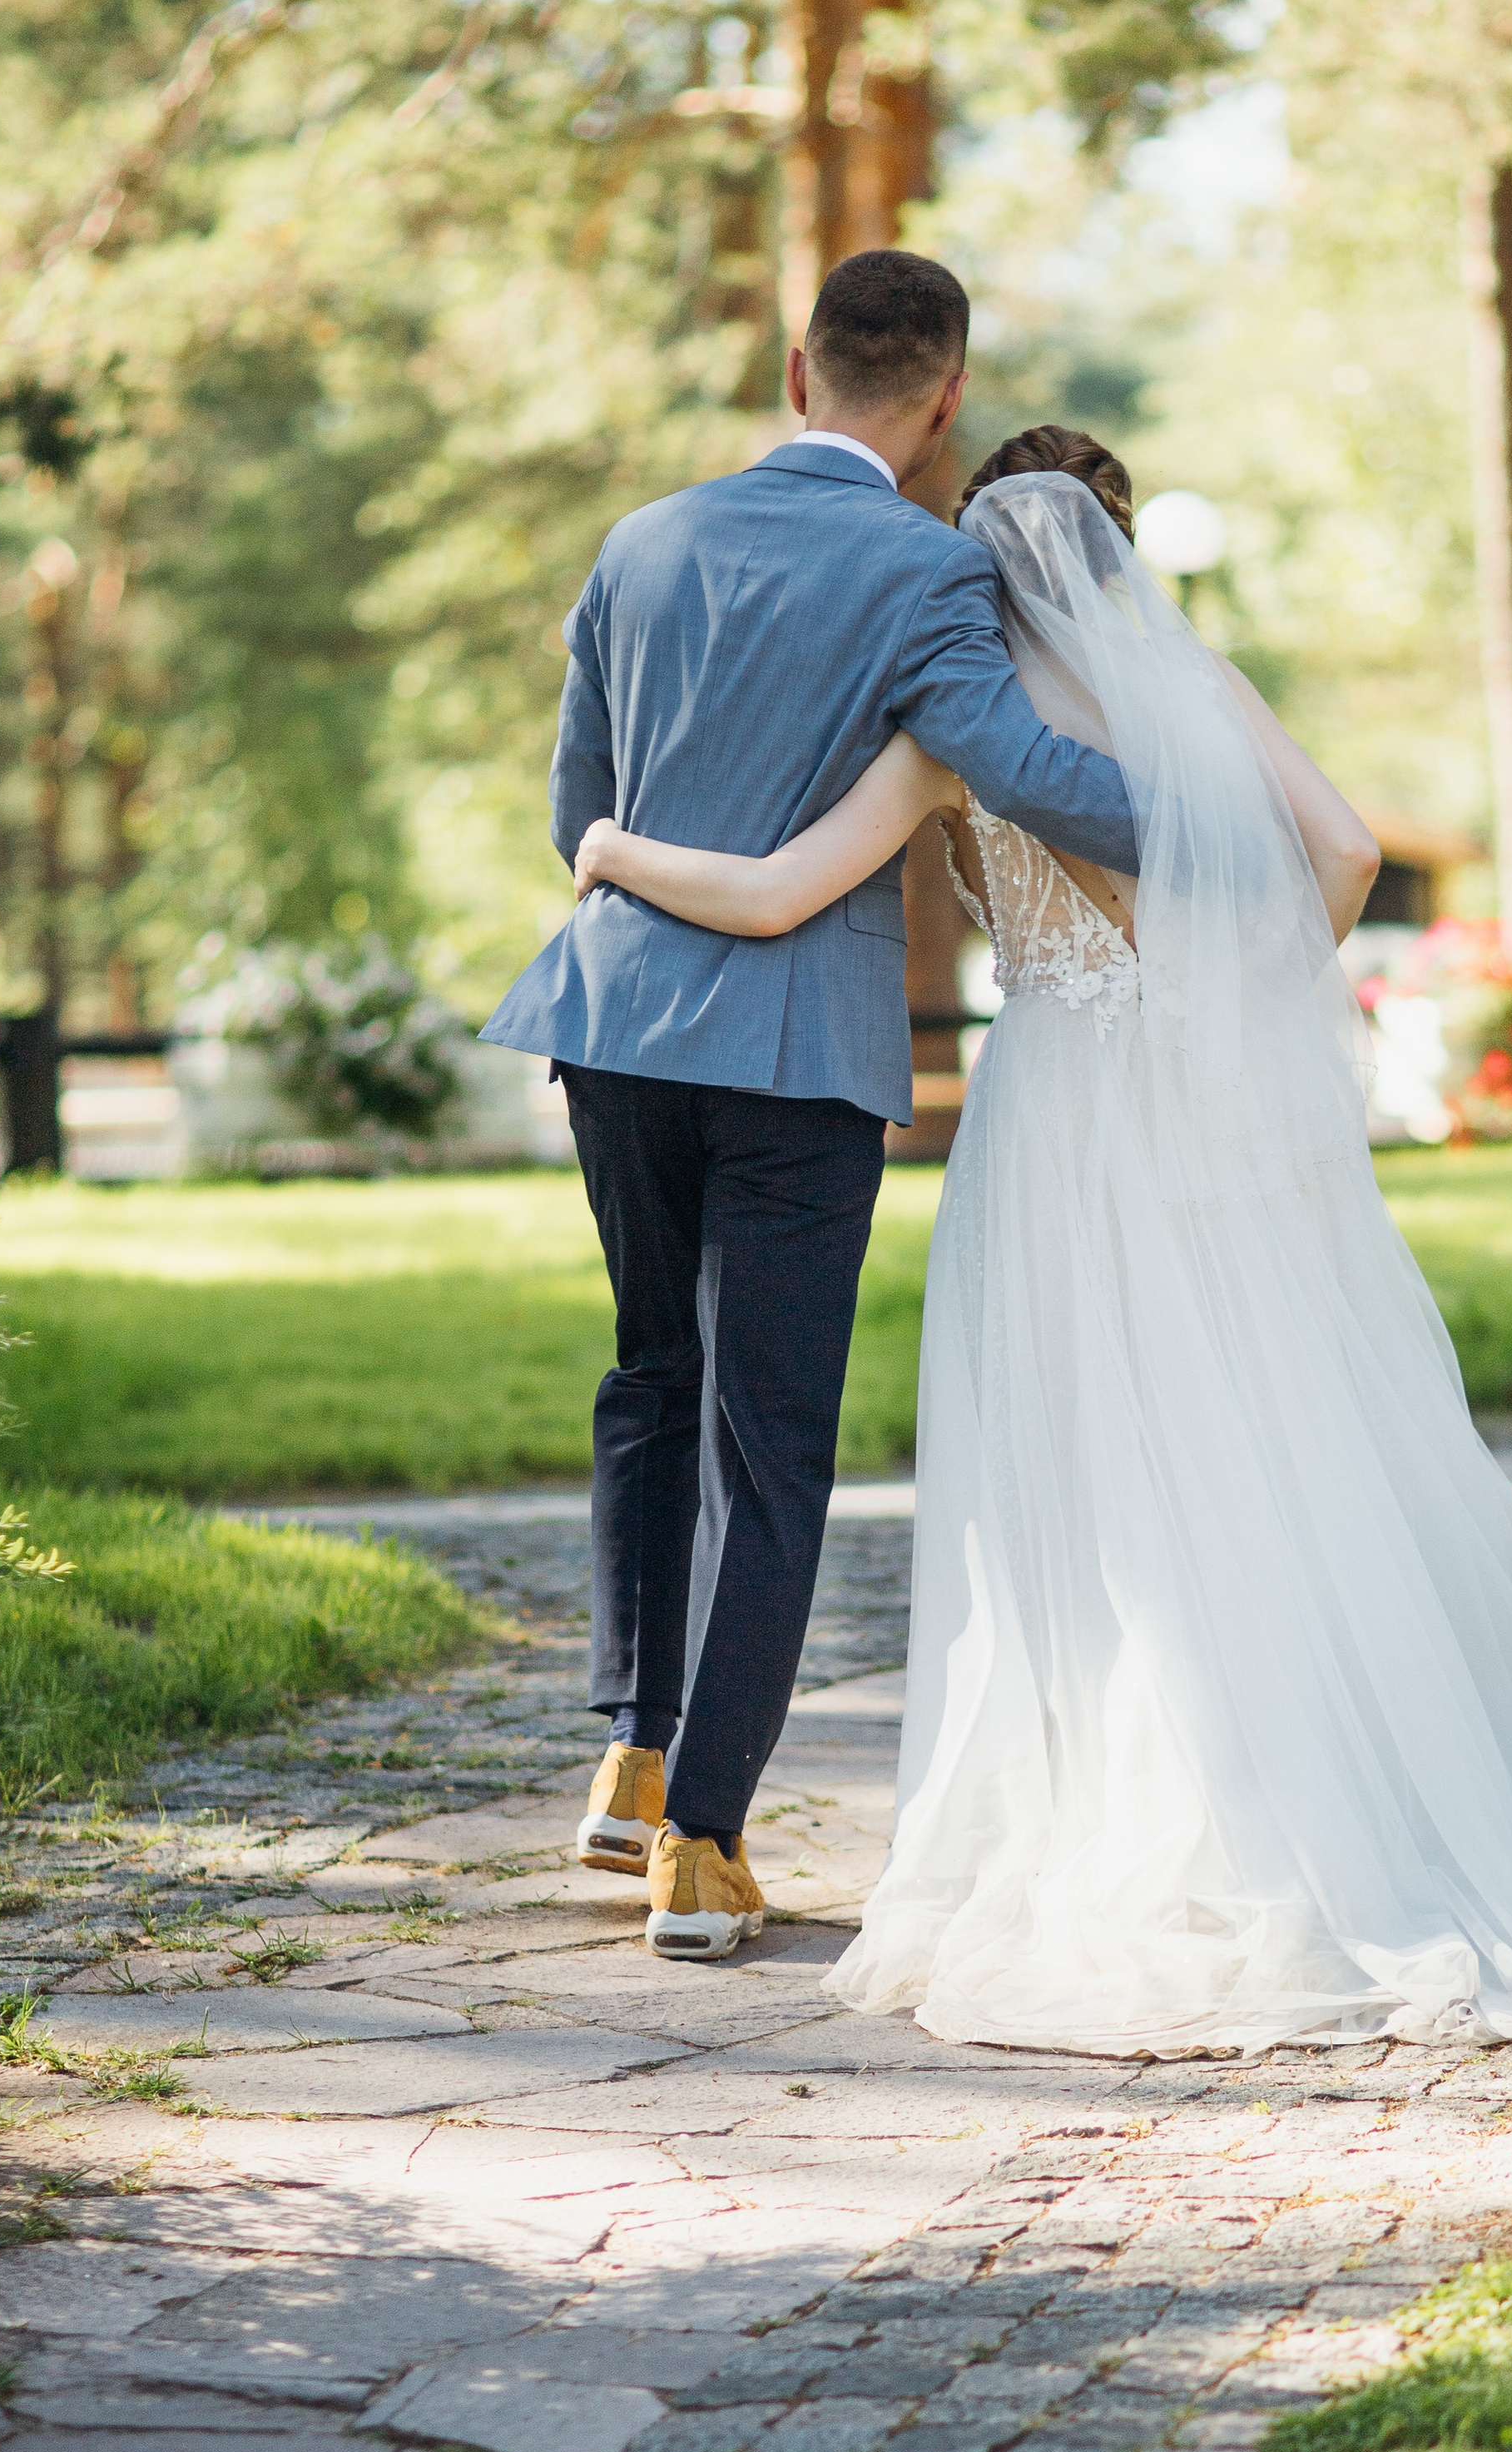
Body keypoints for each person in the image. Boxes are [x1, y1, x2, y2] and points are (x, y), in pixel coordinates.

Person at [569, 423, 1512, 2055]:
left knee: (1075, 1484)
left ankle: (1112, 1818)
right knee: (1258, 1443)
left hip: (1060, 1108)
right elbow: (1342, 855)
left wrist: (610, 848)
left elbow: (783, 892)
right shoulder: (1191, 687)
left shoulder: (951, 729)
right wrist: (1237, 1000)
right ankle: (1333, 1824)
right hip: (1208, 1105)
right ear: (1115, 547)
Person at [481, 260, 1139, 1961]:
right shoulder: (928, 570)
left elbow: (583, 804)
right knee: (767, 1442)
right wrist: (1214, 805)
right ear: (941, 401)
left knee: (649, 1375)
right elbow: (1024, 769)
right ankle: (700, 1845)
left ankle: (631, 1754)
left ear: (795, 372)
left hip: (614, 1029)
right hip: (794, 1061)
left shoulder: (636, 543)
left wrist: (647, 876)